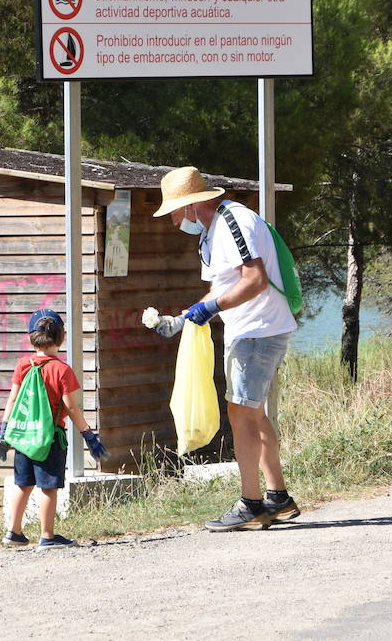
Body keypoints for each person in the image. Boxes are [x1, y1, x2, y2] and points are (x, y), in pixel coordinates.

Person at [153, 165, 301, 531]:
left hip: (258, 331)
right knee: (254, 413)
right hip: (250, 330)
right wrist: (183, 318)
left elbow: (255, 280)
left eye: (173, 212)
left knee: (241, 415)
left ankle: (251, 504)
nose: (173, 221)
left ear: (190, 204)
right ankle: (278, 498)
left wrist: (210, 309)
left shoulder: (234, 222)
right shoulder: (211, 231)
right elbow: (220, 289)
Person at [0, 309, 107, 549]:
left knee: (23, 484)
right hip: (49, 438)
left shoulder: (22, 365)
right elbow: (71, 407)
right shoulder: (62, 370)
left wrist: (3, 432)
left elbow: (12, 400)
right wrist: (88, 434)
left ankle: (14, 532)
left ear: (31, 337)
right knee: (48, 488)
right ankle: (47, 535)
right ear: (61, 337)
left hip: (23, 435)